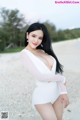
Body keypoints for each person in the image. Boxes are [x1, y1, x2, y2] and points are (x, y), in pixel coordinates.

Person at [21, 22, 69, 120]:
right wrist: (62, 78)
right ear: (27, 35)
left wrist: (63, 92)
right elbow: (41, 77)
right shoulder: (25, 54)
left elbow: (56, 72)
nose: (36, 40)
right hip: (42, 98)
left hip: (57, 93)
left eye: (40, 38)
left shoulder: (43, 50)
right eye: (33, 36)